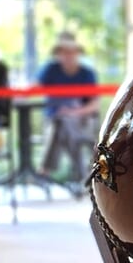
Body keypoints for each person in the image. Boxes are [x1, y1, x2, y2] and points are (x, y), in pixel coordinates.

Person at [37, 32, 100, 187]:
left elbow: (94, 104)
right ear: (58, 53)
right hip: (54, 119)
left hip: (80, 119)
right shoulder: (50, 70)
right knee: (61, 123)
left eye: (71, 51)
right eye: (63, 52)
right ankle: (81, 174)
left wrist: (73, 112)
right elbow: (34, 89)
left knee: (63, 123)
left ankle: (45, 169)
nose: (68, 55)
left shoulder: (87, 73)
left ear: (77, 52)